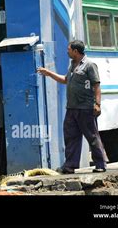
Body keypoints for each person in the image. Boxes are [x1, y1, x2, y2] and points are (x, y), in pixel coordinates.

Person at [37, 40, 108, 174]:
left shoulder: (89, 65)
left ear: (75, 51)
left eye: (69, 49)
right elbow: (65, 80)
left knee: (92, 137)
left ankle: (100, 163)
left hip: (86, 108)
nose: (67, 51)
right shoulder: (72, 65)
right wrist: (48, 73)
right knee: (71, 137)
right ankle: (70, 165)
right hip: (72, 108)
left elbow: (97, 86)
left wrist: (98, 104)